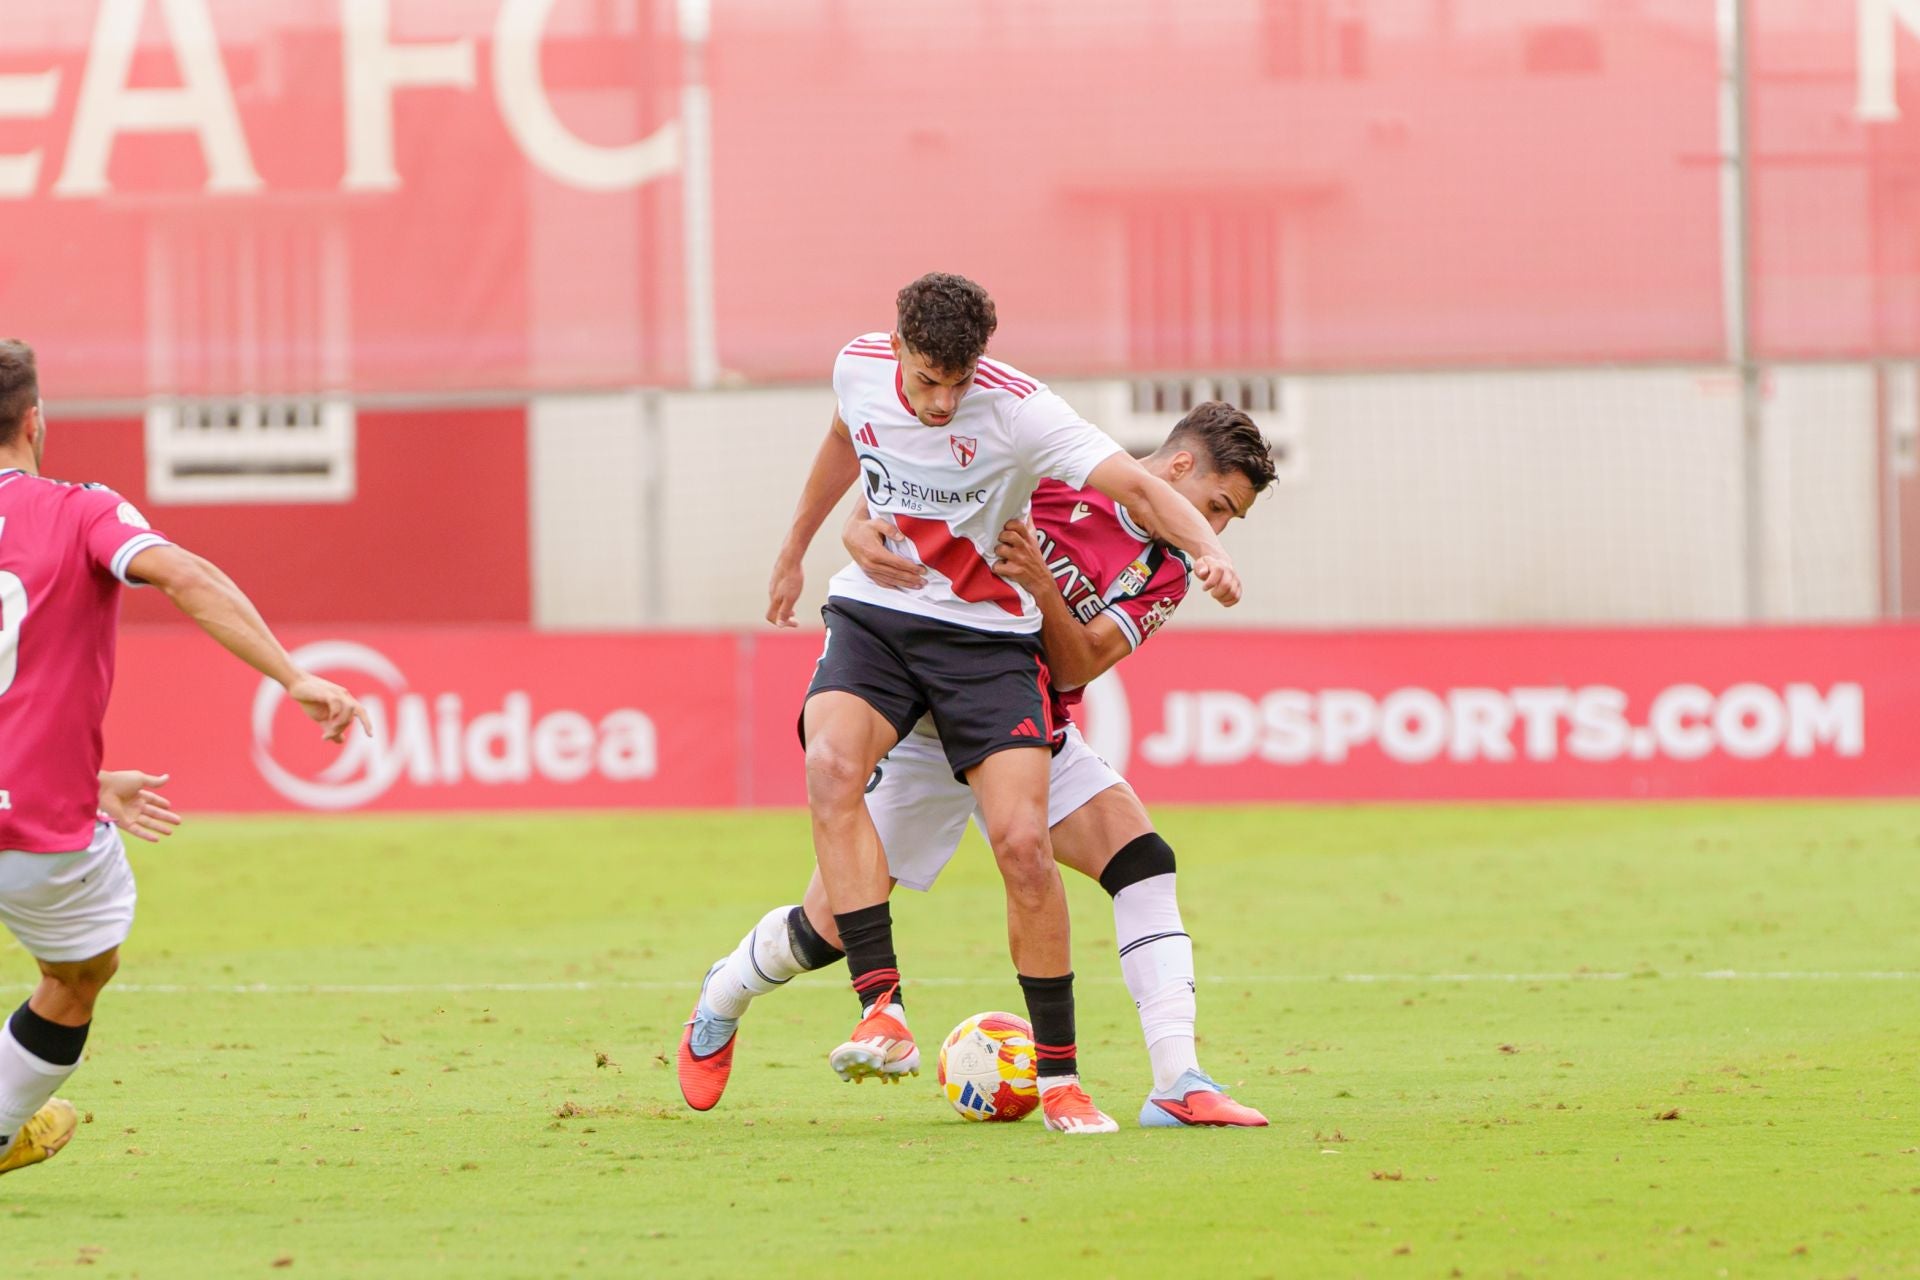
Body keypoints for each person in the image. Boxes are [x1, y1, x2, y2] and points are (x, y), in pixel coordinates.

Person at [683, 403, 1274, 1127]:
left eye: (1227, 521)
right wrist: (860, 517)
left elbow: (1076, 661)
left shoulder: (1166, 568)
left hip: (1028, 725)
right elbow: (932, 476)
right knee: (825, 930)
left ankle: (1177, 1079)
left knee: (1143, 862)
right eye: (1215, 506)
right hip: (929, 725)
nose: (1211, 528)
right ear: (1179, 466)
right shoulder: (1062, 469)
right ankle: (727, 991)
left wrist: (1045, 587)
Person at [0, 339, 367, 1178]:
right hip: (33, 836)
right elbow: (184, 574)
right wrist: (292, 675)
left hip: (45, 804)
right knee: (79, 972)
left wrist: (87, 781)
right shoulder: (83, 509)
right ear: (34, 421)